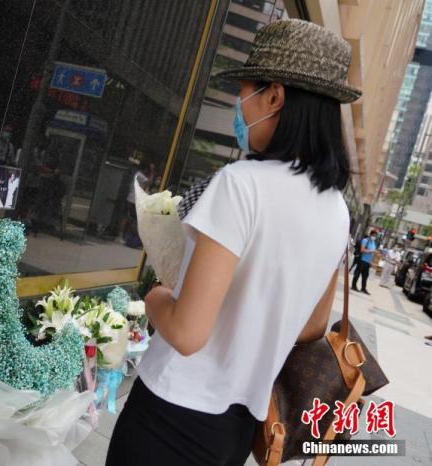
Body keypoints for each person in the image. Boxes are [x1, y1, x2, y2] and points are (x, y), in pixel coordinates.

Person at [106, 19, 359, 465]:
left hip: (170, 416)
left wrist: (156, 296)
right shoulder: (337, 209)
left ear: (274, 97)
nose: (239, 107)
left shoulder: (241, 185)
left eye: (243, 92)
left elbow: (187, 334)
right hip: (238, 431)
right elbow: (311, 328)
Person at [116, 160, 156, 244]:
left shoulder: (138, 174)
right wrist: (152, 171)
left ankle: (124, 236)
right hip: (133, 200)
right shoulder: (140, 175)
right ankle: (120, 236)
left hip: (132, 199)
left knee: (129, 219)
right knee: (127, 218)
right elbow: (150, 182)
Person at [351, 229, 377, 294]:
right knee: (357, 273)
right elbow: (362, 250)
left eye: (375, 236)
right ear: (370, 235)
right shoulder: (365, 240)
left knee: (365, 276)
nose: (374, 237)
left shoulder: (373, 242)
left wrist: (371, 261)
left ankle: (363, 288)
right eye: (373, 235)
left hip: (368, 261)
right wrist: (370, 251)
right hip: (362, 260)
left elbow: (373, 253)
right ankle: (353, 286)